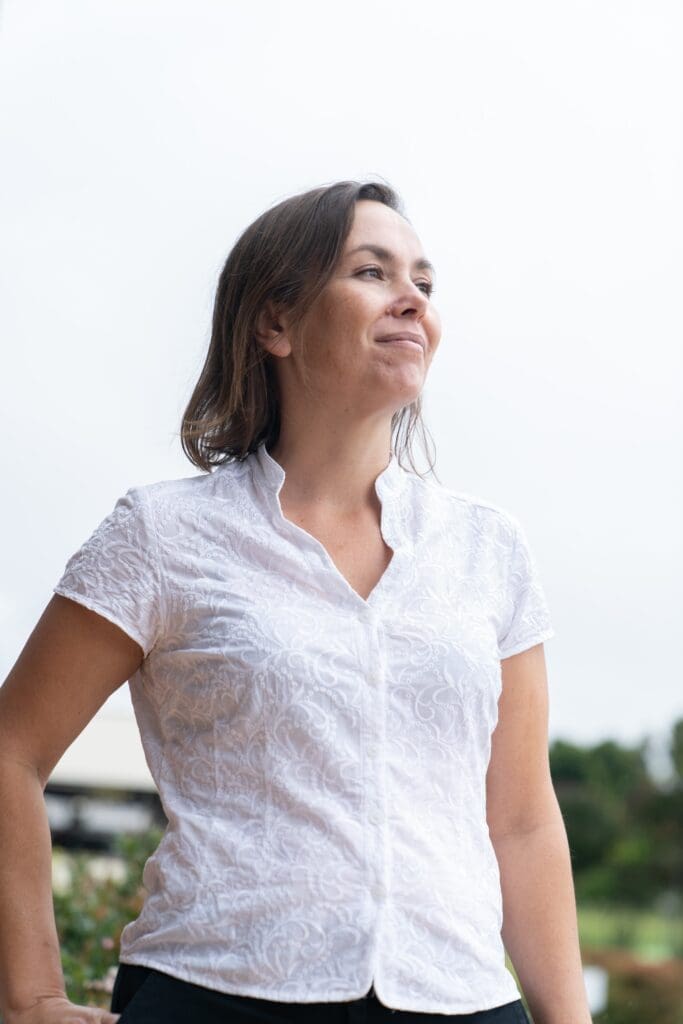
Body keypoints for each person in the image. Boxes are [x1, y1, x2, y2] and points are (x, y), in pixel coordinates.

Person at [0, 179, 593, 1024]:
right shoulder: (163, 535)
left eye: (423, 284)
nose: (410, 301)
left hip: (459, 997)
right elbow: (11, 749)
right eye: (371, 272)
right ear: (274, 323)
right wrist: (26, 997)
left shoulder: (488, 550)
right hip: (215, 994)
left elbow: (523, 821)